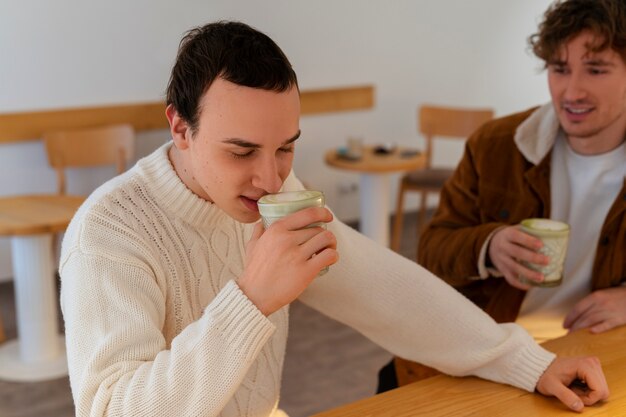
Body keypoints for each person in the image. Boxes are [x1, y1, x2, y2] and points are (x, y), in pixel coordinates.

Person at [60, 20, 609, 417]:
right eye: (241, 152)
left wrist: (524, 362)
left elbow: (385, 290)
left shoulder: (272, 197)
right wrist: (252, 301)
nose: (271, 181)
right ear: (180, 129)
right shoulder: (109, 231)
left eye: (286, 149)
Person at [391, 0, 625, 394]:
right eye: (559, 68)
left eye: (596, 69)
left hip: (594, 348)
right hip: (493, 347)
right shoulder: (496, 145)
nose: (572, 91)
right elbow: (431, 250)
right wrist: (489, 245)